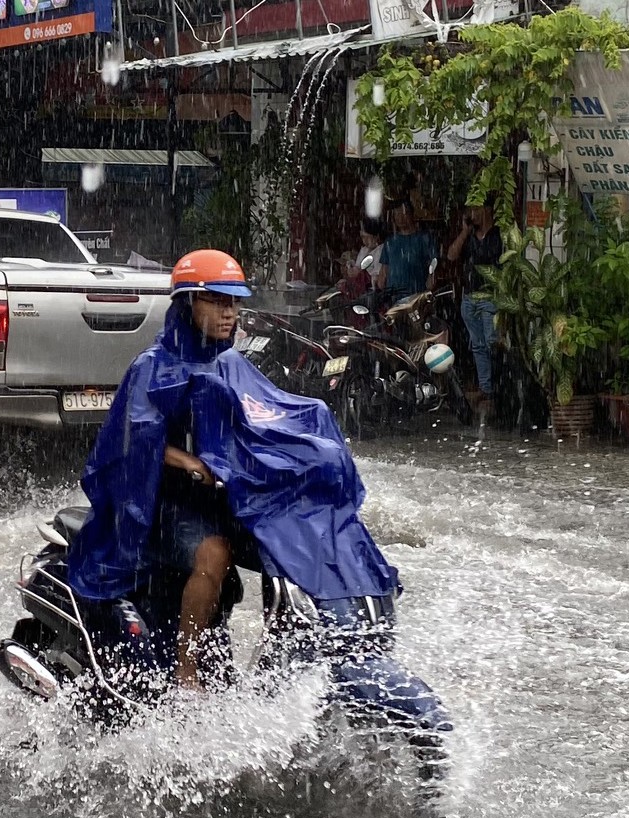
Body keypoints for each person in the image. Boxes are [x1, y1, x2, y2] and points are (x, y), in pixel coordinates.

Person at [66, 249, 398, 692]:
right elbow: (128, 442)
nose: (231, 313)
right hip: (160, 503)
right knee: (215, 553)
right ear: (188, 304)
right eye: (219, 302)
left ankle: (282, 668)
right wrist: (188, 462)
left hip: (223, 497)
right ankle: (187, 670)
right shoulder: (152, 367)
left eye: (235, 302)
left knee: (286, 549)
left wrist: (314, 445)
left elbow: (268, 418)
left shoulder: (231, 363)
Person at [446, 202, 503, 411]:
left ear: (487, 210)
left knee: (492, 341)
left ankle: (498, 388)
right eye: (469, 211)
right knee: (478, 345)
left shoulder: (498, 235)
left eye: (475, 210)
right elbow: (451, 255)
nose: (472, 215)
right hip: (470, 296)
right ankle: (486, 388)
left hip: (490, 296)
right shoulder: (468, 238)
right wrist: (464, 232)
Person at [376, 199, 439, 298]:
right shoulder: (390, 241)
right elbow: (384, 270)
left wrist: (430, 283)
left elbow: (434, 263)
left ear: (411, 214)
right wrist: (380, 286)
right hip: (393, 297)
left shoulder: (424, 238)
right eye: (397, 214)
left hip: (416, 296)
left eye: (403, 213)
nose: (400, 218)